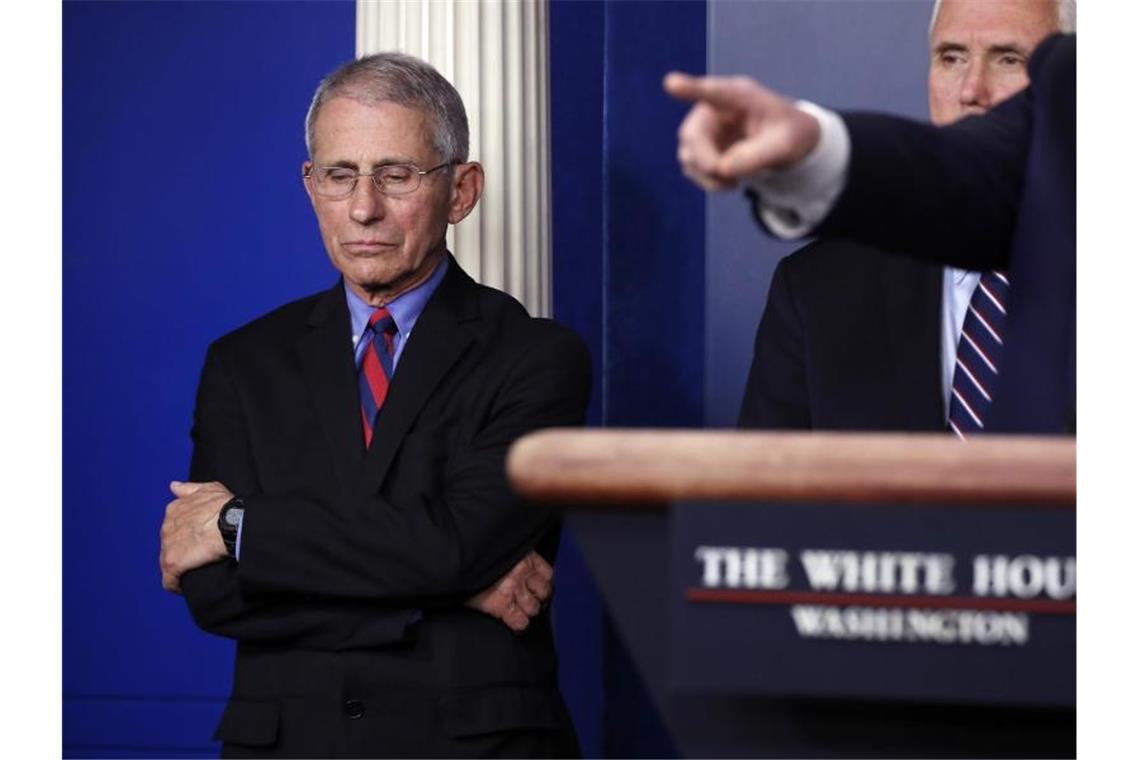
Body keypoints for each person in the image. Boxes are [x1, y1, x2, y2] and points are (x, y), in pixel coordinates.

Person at [159, 53, 589, 757]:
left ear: (462, 190)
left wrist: (241, 525)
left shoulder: (536, 358)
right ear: (311, 186)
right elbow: (215, 593)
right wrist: (443, 597)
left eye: (395, 175)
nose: (363, 207)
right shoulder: (244, 363)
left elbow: (455, 547)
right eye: (340, 175)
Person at [664, 15, 1075, 436]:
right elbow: (762, 490)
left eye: (1009, 59)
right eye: (950, 58)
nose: (971, 91)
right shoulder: (818, 290)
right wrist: (813, 147)